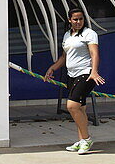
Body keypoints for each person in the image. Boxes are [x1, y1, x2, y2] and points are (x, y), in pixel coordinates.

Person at [45, 8, 105, 154]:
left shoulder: (89, 34)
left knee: (72, 106)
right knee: (80, 108)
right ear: (69, 20)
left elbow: (94, 53)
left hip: (86, 74)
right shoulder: (67, 35)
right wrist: (53, 68)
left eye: (81, 19)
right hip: (71, 75)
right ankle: (81, 141)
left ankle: (86, 139)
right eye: (75, 19)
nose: (78, 22)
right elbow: (64, 57)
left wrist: (94, 71)